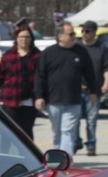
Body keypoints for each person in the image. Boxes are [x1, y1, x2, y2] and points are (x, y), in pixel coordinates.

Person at [35, 21, 98, 154]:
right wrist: (39, 96)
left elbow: (90, 73)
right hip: (53, 100)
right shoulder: (48, 53)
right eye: (70, 34)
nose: (74, 36)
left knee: (68, 132)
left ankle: (66, 159)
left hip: (73, 100)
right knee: (57, 133)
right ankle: (58, 158)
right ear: (60, 36)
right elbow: (40, 76)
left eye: (74, 33)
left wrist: (93, 92)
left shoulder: (80, 52)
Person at [0, 24, 41, 140]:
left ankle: (28, 156)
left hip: (29, 100)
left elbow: (42, 78)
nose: (24, 40)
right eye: (21, 37)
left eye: (27, 37)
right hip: (10, 99)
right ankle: (6, 155)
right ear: (16, 38)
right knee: (9, 131)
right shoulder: (8, 56)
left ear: (32, 39)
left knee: (27, 131)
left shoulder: (37, 56)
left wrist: (41, 97)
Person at [76, 21, 108, 155]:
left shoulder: (101, 47)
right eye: (83, 31)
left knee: (91, 119)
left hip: (94, 89)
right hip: (77, 89)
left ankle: (91, 144)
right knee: (75, 119)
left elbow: (107, 67)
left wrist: (106, 83)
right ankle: (76, 141)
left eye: (87, 31)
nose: (84, 34)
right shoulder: (77, 47)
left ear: (94, 32)